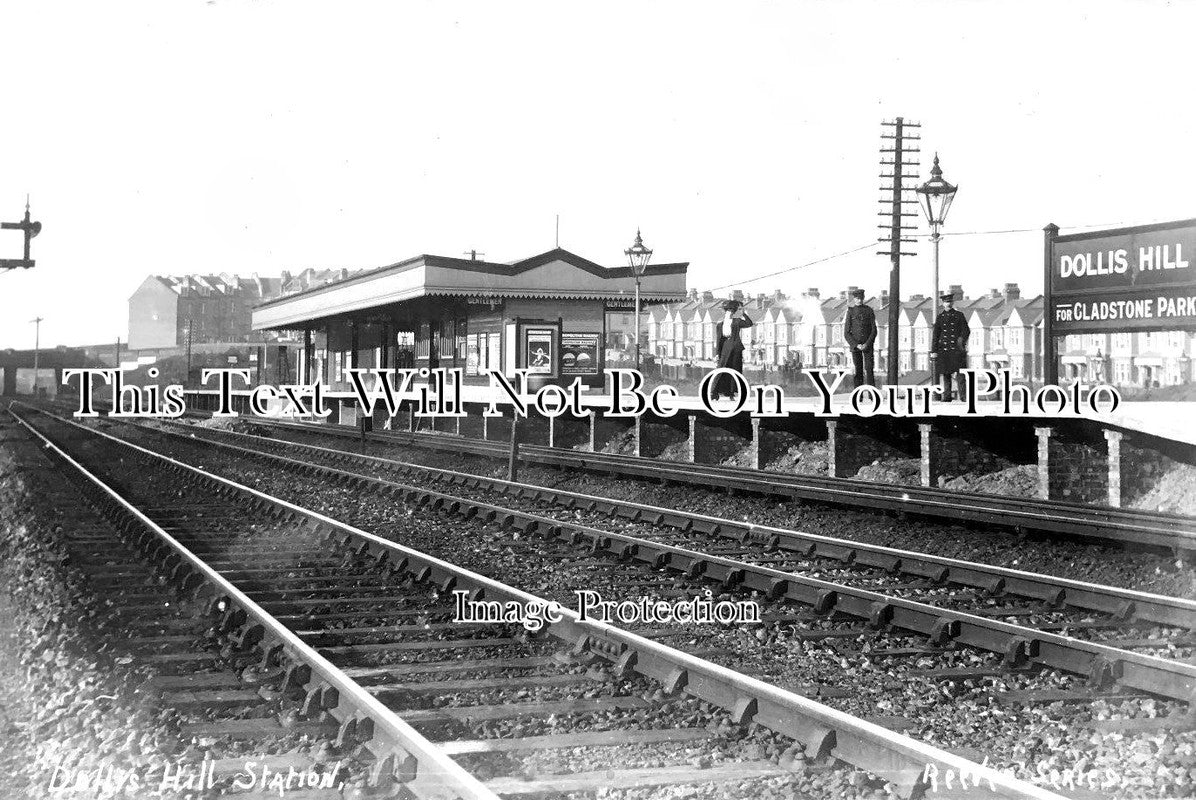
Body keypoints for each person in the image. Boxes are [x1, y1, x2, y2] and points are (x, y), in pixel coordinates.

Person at [931, 291, 970, 401]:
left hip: (957, 350)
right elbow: (936, 335)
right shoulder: (940, 317)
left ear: (952, 303)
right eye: (946, 302)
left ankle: (964, 396)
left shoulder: (959, 315)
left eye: (950, 301)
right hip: (944, 349)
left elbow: (966, 330)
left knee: (961, 374)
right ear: (943, 303)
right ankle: (947, 396)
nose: (948, 304)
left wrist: (961, 340)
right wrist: (933, 350)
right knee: (946, 374)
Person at [712, 299, 754, 399]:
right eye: (727, 311)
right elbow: (719, 340)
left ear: (733, 312)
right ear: (725, 312)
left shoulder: (737, 321)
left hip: (735, 349)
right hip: (725, 349)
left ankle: (731, 393)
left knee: (735, 370)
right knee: (721, 370)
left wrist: (743, 313)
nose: (729, 313)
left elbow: (749, 323)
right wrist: (717, 353)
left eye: (731, 311)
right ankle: (714, 392)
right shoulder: (719, 325)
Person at [843, 288, 876, 388]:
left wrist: (867, 344)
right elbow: (847, 333)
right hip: (855, 346)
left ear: (863, 298)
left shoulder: (869, 311)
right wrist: (856, 345)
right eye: (857, 298)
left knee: (869, 369)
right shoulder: (850, 312)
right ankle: (858, 395)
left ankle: (872, 394)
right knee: (858, 370)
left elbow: (874, 330)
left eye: (861, 298)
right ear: (854, 299)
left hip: (867, 345)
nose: (859, 300)